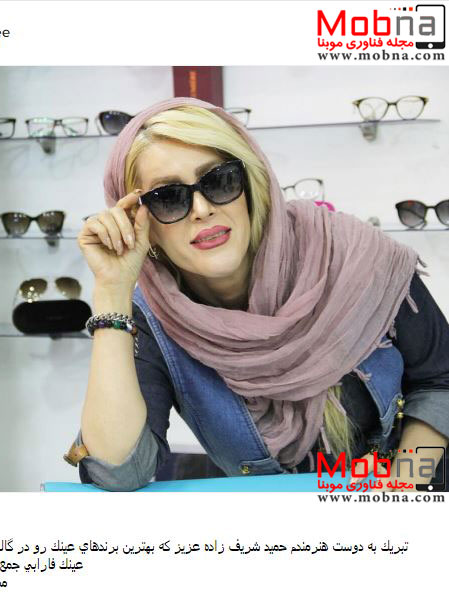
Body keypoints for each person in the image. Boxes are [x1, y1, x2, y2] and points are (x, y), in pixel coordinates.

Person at [67, 96, 449, 491]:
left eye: (219, 181)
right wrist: (112, 292)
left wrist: (400, 487)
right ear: (139, 222)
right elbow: (119, 472)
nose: (201, 209)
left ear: (251, 183)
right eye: (168, 197)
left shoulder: (354, 255)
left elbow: (440, 380)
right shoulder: (154, 318)